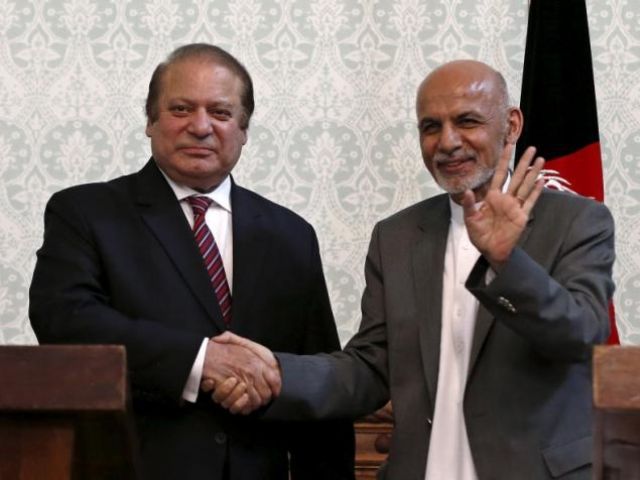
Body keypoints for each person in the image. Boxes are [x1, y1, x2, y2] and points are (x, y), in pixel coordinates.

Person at [207, 60, 616, 479]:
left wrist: (507, 261)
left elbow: (581, 336)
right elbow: (369, 367)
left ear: (511, 125)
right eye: (430, 127)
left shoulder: (578, 221)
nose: (448, 142)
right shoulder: (396, 237)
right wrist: (279, 374)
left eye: (467, 121)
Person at [29, 43, 354, 480]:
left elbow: (318, 383)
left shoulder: (290, 234)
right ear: (150, 120)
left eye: (220, 112)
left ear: (244, 128)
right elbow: (65, 321)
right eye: (181, 108)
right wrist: (200, 362)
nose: (200, 127)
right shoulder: (87, 212)